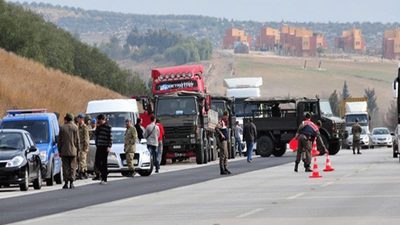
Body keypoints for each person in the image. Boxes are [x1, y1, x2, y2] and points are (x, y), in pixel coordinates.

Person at [58, 113, 80, 189]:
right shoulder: (75, 128)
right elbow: (77, 140)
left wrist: (59, 150)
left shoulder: (62, 128)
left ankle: (66, 182)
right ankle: (71, 182)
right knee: (73, 167)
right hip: (73, 151)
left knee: (65, 167)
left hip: (64, 150)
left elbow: (59, 140)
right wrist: (78, 151)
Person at [95, 114, 113, 184]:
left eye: (100, 120)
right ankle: (104, 172)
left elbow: (110, 137)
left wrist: (109, 146)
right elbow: (96, 134)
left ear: (103, 120)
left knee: (104, 162)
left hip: (105, 146)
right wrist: (98, 127)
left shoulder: (108, 127)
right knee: (97, 162)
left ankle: (104, 179)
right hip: (99, 145)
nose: (99, 122)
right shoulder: (99, 127)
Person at [215, 111, 231, 175]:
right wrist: (221, 134)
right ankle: (222, 169)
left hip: (225, 140)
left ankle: (226, 167)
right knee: (223, 154)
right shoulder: (220, 121)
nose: (227, 117)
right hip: (222, 140)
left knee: (226, 154)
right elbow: (217, 128)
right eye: (227, 116)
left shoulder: (225, 122)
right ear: (224, 116)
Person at [76, 113, 89, 180]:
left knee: (82, 160)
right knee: (81, 160)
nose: (78, 120)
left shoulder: (84, 127)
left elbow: (86, 138)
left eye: (79, 118)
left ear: (81, 119)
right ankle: (84, 172)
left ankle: (82, 173)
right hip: (79, 146)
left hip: (83, 146)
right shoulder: (78, 127)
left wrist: (86, 147)